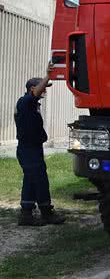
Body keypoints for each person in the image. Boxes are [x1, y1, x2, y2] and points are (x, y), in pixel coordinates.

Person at [14, 66, 66, 226]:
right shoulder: (25, 102)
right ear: (32, 89)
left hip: (32, 148)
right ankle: (46, 212)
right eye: (43, 88)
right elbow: (35, 93)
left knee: (31, 179)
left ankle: (26, 214)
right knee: (40, 180)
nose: (45, 91)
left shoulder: (30, 104)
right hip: (28, 149)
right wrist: (48, 76)